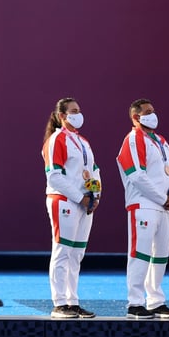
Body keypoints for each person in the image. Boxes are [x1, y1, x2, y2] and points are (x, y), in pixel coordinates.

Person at [117, 99, 169, 319]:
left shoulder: (162, 141)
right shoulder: (133, 139)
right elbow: (136, 174)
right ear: (136, 117)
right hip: (143, 204)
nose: (153, 115)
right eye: (147, 112)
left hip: (164, 208)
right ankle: (135, 302)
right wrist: (162, 197)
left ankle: (156, 301)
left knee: (161, 254)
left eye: (153, 111)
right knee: (140, 253)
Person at [41, 98, 100, 319]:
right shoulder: (57, 140)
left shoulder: (83, 141)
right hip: (64, 200)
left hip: (85, 202)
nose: (79, 114)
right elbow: (54, 176)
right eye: (73, 111)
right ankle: (59, 303)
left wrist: (95, 196)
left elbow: (94, 170)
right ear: (62, 116)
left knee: (77, 254)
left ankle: (73, 302)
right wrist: (79, 197)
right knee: (62, 251)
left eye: (79, 110)